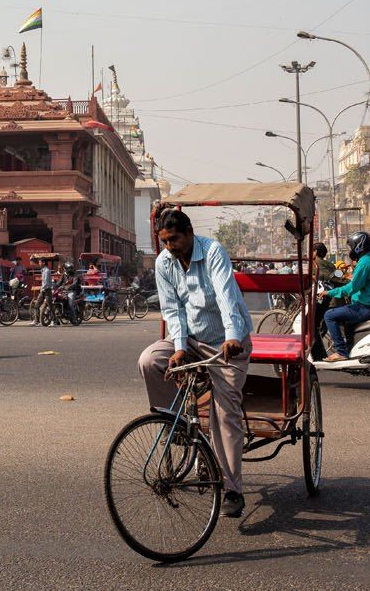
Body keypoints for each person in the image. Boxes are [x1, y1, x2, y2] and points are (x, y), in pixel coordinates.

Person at [138, 208, 253, 519]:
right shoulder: (164, 263)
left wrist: (232, 337)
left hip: (226, 344)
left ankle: (232, 489)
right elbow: (172, 309)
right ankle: (171, 421)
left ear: (189, 232)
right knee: (149, 360)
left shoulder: (213, 251)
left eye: (174, 239)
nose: (170, 246)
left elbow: (226, 296)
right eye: (164, 242)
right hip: (189, 342)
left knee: (224, 412)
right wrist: (177, 347)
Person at [318, 231, 370, 362]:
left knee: (329, 315)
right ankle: (350, 349)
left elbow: (352, 287)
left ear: (359, 246)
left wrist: (329, 292)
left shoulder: (365, 263)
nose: (350, 250)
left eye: (351, 247)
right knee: (346, 320)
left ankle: (341, 352)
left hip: (366, 307)